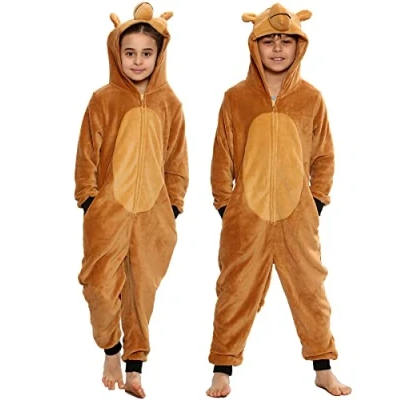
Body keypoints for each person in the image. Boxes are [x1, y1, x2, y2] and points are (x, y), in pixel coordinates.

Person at [206, 3, 351, 397]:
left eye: (286, 41)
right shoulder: (235, 98)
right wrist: (226, 205)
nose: (277, 49)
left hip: (296, 217)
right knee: (234, 291)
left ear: (299, 46)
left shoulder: (311, 98)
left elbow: (324, 156)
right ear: (254, 46)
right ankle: (222, 368)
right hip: (246, 216)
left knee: (310, 291)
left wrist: (315, 202)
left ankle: (323, 367)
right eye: (268, 41)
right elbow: (222, 156)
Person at [74, 2, 188, 397]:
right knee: (99, 286)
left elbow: (177, 158)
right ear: (116, 53)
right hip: (108, 211)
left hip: (154, 215)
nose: (138, 61)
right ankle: (112, 348)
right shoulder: (103, 99)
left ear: (159, 55)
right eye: (130, 52)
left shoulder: (170, 103)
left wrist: (174, 204)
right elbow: (86, 154)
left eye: (146, 53)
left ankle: (136, 365)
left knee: (142, 291)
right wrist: (88, 200)